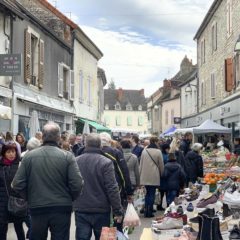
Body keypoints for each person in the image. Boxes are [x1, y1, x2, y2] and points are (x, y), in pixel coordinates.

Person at [12, 122, 84, 240]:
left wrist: (29, 197)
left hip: (37, 207)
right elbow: (77, 183)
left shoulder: (29, 157)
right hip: (61, 207)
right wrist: (70, 198)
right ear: (58, 137)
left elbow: (17, 183)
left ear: (43, 137)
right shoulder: (68, 156)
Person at [73, 133, 123, 240]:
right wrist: (117, 211)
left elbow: (72, 184)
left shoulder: (76, 161)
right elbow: (112, 188)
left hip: (81, 208)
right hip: (102, 209)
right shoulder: (106, 162)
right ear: (100, 145)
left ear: (85, 144)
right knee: (104, 238)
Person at [100, 132, 133, 231]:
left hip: (97, 191)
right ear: (110, 141)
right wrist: (129, 191)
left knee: (103, 221)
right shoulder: (116, 152)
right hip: (116, 189)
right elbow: (124, 173)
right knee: (116, 217)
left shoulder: (91, 152)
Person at [0, 143, 26, 240]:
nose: (11, 154)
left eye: (13, 152)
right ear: (4, 153)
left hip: (17, 201)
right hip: (2, 202)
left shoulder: (20, 165)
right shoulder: (1, 165)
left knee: (18, 226)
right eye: (8, 152)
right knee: (2, 228)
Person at [140, 136, 164, 218]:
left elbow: (141, 164)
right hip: (154, 175)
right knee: (152, 194)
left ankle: (146, 210)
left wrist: (140, 175)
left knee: (147, 194)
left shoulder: (144, 151)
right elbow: (161, 165)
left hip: (145, 175)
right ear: (156, 142)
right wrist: (161, 174)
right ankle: (149, 211)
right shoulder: (158, 152)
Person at [158, 143, 170, 211]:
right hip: (166, 176)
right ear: (166, 149)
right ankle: (167, 205)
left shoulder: (160, 155)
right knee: (167, 191)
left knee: (161, 192)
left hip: (160, 175)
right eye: (168, 149)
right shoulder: (167, 156)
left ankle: (160, 205)